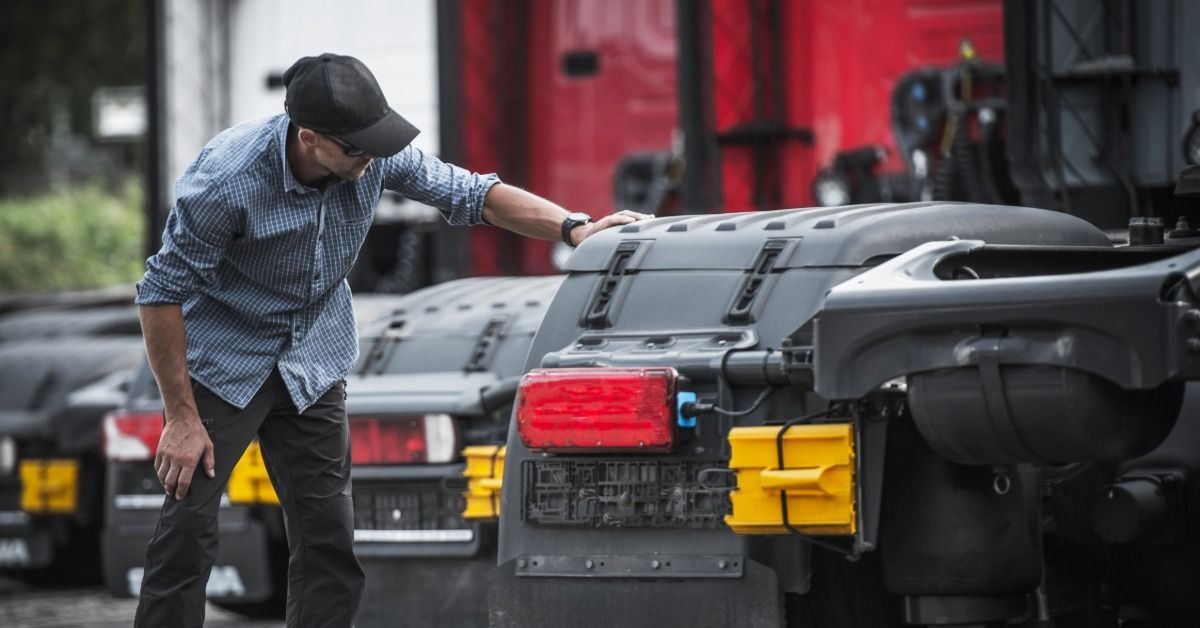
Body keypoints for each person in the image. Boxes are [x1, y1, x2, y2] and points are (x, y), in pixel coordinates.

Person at [133, 53, 650, 628]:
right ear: (310, 138)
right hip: (225, 364)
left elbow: (473, 194)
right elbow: (160, 293)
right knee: (186, 536)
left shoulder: (370, 156)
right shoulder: (226, 181)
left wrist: (575, 228)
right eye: (357, 147)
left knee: (329, 539)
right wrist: (181, 416)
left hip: (311, 358)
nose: (372, 157)